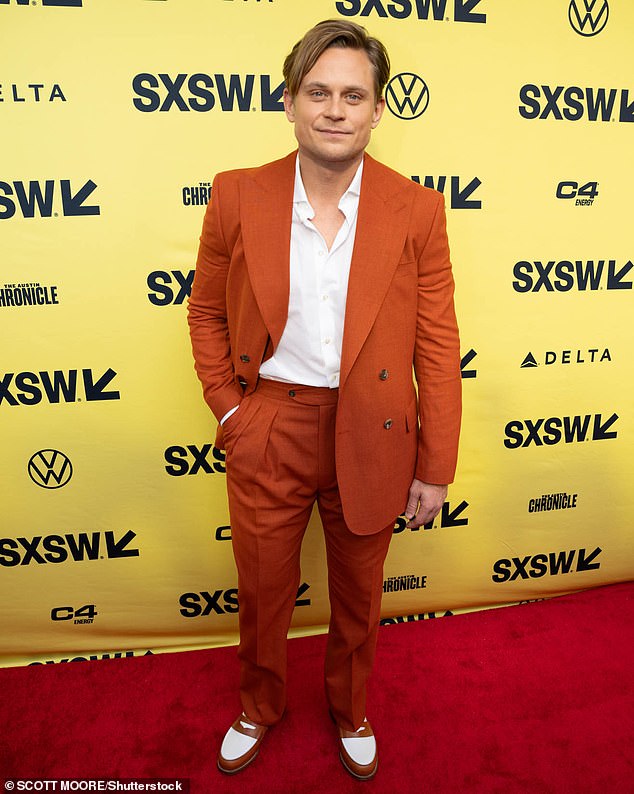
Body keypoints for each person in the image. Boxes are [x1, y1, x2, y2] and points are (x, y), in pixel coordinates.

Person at [187, 18, 461, 781]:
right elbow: (206, 311)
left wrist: (434, 465)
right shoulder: (237, 195)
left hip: (374, 430)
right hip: (269, 421)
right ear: (289, 102)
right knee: (263, 590)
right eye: (318, 92)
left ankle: (350, 709)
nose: (335, 109)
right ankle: (257, 705)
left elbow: (437, 343)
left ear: (377, 111)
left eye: (353, 95)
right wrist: (229, 409)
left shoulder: (419, 211)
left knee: (358, 597)